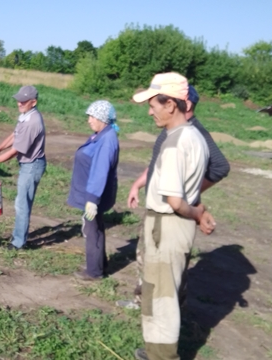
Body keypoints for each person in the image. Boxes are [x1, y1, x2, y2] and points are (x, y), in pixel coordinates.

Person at [118, 84, 230, 310]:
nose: (151, 112)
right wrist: (138, 184)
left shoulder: (192, 133)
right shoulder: (171, 131)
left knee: (167, 270)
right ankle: (146, 302)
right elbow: (158, 164)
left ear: (182, 105)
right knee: (148, 259)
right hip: (159, 208)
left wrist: (190, 194)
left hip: (171, 213)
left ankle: (166, 310)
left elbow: (220, 166)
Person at [130, 72, 211, 360]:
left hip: (167, 225)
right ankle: (155, 350)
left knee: (162, 296)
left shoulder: (176, 143)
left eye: (153, 104)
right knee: (160, 292)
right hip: (171, 226)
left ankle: (162, 356)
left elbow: (176, 202)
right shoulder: (193, 137)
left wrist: (197, 212)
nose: (150, 110)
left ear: (171, 105)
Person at [0, 85, 46, 250]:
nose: (19, 104)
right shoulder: (25, 116)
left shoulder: (32, 122)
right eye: (18, 100)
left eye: (24, 101)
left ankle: (18, 243)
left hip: (32, 166)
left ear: (33, 102)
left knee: (22, 204)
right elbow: (14, 136)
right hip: (27, 164)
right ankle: (19, 236)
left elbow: (14, 152)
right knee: (20, 202)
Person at [67, 100, 119, 281]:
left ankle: (94, 272)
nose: (89, 120)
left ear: (102, 118)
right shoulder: (101, 135)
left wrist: (92, 200)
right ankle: (98, 264)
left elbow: (100, 171)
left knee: (92, 230)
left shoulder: (106, 140)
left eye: (92, 116)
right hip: (91, 193)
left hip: (94, 195)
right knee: (95, 228)